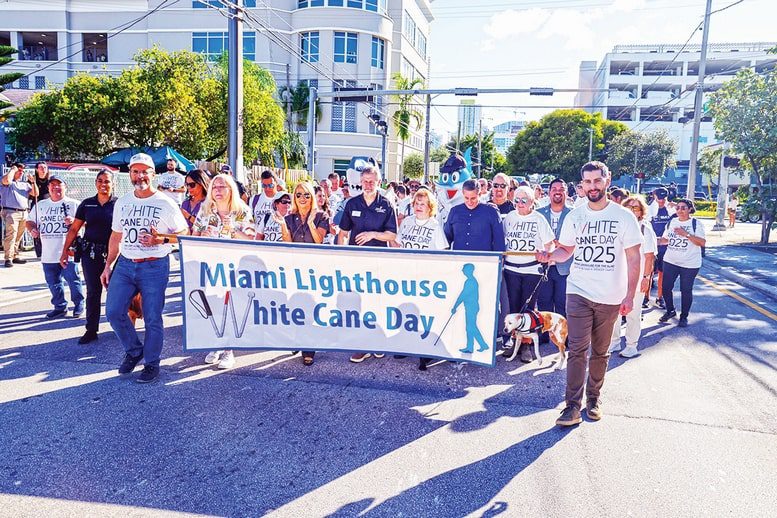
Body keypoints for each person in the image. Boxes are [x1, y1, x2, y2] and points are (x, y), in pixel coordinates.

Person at [537, 161, 642, 427]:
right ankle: (571, 406)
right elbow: (566, 251)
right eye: (587, 182)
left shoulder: (624, 217)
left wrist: (629, 295)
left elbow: (633, 258)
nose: (592, 186)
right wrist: (549, 257)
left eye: (597, 181)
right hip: (578, 290)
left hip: (610, 295)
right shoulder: (576, 216)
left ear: (607, 180)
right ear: (581, 185)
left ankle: (594, 398)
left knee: (601, 351)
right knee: (577, 349)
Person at [101, 153, 188, 383]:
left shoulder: (165, 202)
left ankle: (151, 363)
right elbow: (116, 235)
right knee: (113, 311)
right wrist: (108, 265)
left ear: (153, 174)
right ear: (130, 174)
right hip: (126, 264)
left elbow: (184, 234)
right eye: (135, 171)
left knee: (152, 317)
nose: (140, 176)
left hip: (154, 266)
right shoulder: (123, 202)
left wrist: (161, 240)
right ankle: (134, 350)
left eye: (144, 171)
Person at [192, 173, 255, 369]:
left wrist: (234, 229)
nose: (218, 191)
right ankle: (216, 343)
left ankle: (229, 349)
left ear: (231, 190)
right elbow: (194, 235)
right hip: (210, 265)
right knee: (212, 305)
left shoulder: (242, 211)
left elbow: (251, 239)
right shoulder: (205, 210)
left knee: (230, 305)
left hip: (233, 266)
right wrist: (203, 234)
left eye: (222, 187)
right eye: (215, 187)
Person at [338, 165, 397, 363]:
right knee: (359, 303)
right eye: (365, 181)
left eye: (372, 181)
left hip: (379, 262)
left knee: (377, 304)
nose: (368, 185)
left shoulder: (386, 205)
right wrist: (342, 255)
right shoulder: (352, 203)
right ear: (360, 182)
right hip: (357, 263)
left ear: (379, 182)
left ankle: (377, 343)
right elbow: (343, 233)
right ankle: (361, 346)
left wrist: (373, 234)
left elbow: (392, 235)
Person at [59, 169, 116, 343]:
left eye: (106, 181)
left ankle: (123, 326)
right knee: (93, 292)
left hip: (114, 255)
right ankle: (91, 330)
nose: (103, 184)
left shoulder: (119, 204)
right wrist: (64, 251)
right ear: (96, 183)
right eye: (100, 181)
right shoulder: (87, 204)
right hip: (90, 254)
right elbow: (74, 229)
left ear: (112, 183)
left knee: (117, 292)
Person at [502, 185, 555, 362]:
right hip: (511, 269)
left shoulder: (539, 219)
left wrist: (545, 255)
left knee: (528, 309)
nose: (520, 203)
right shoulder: (509, 217)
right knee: (514, 308)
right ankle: (515, 343)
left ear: (532, 202)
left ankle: (526, 346)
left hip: (532, 270)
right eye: (517, 200)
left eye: (524, 200)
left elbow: (550, 244)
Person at [281, 181, 329, 366]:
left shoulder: (321, 216)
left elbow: (318, 241)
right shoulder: (289, 218)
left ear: (312, 197)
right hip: (295, 267)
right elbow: (287, 243)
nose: (302, 198)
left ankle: (309, 348)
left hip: (314, 269)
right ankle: (297, 340)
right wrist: (284, 227)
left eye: (306, 195)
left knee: (309, 307)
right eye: (299, 194)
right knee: (295, 305)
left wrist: (310, 223)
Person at [26, 174, 85, 319]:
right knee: (53, 283)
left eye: (59, 184)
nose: (56, 187)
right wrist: (33, 229)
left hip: (68, 251)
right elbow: (30, 221)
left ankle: (78, 305)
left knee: (73, 280)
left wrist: (75, 222)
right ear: (48, 188)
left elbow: (89, 222)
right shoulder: (41, 205)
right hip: (48, 253)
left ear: (65, 187)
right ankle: (59, 307)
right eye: (52, 185)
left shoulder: (75, 204)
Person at [609, 195, 657, 358]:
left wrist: (646, 278)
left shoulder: (645, 228)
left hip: (636, 280)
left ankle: (631, 346)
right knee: (614, 313)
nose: (631, 210)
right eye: (628, 207)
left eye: (635, 207)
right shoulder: (617, 226)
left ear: (641, 211)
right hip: (616, 278)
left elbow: (650, 256)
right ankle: (614, 342)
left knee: (633, 314)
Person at [657, 199, 706, 328]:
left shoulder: (696, 223)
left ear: (690, 209)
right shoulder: (672, 222)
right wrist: (653, 240)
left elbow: (702, 242)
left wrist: (686, 234)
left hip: (689, 263)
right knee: (666, 288)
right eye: (678, 208)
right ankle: (670, 310)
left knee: (686, 290)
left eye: (683, 208)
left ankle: (684, 317)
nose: (680, 210)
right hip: (671, 260)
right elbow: (665, 240)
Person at [536, 178, 573, 326]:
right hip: (543, 265)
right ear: (549, 192)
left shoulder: (573, 214)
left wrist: (561, 244)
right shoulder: (538, 214)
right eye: (554, 189)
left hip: (565, 266)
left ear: (566, 192)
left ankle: (564, 336)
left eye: (561, 189)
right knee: (544, 302)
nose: (557, 192)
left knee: (562, 303)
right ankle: (544, 335)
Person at [444, 179, 505, 253]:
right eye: (466, 198)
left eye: (473, 198)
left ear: (479, 195)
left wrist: (500, 259)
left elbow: (499, 240)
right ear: (463, 194)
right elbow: (446, 239)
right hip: (459, 260)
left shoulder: (491, 212)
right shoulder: (454, 211)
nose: (469, 202)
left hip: (484, 261)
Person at [2, 163, 38, 267]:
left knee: (19, 235)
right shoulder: (7, 181)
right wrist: (13, 170)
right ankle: (8, 258)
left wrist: (33, 182)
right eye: (19, 170)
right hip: (11, 211)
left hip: (23, 212)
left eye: (22, 171)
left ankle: (14, 255)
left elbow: (35, 193)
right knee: (11, 234)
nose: (21, 172)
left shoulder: (24, 184)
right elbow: (7, 180)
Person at [647, 187, 675, 308]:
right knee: (648, 273)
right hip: (651, 244)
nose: (662, 201)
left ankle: (660, 297)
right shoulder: (649, 209)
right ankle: (646, 298)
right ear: (654, 197)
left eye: (664, 199)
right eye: (659, 199)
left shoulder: (671, 209)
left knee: (663, 274)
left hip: (665, 246)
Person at [30, 162, 51, 258]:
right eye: (41, 168)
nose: (43, 169)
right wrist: (33, 182)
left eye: (45, 167)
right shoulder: (32, 180)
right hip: (37, 206)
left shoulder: (50, 180)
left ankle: (48, 249)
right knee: (36, 227)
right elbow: (33, 194)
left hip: (49, 207)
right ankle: (39, 251)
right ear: (37, 169)